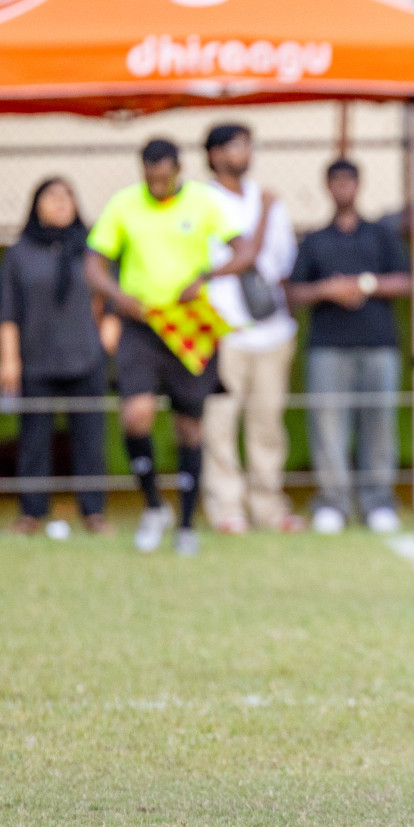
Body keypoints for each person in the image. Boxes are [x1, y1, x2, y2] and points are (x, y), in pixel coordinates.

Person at [84, 138, 264, 557]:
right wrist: (118, 295)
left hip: (188, 324)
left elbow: (245, 250)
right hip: (141, 324)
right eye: (150, 176)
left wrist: (207, 277)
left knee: (190, 426)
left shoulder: (203, 202)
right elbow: (94, 262)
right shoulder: (124, 204)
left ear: (178, 169)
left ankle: (185, 522)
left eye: (164, 176)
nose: (158, 184)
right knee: (137, 414)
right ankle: (152, 506)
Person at [286, 158, 413, 535]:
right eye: (336, 182)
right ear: (328, 187)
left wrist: (364, 285)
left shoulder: (381, 234)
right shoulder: (314, 239)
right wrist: (326, 290)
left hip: (379, 343)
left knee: (380, 423)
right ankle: (333, 502)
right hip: (327, 345)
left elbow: (406, 282)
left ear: (359, 185)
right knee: (327, 426)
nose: (343, 188)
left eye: (349, 181)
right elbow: (292, 291)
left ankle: (377, 502)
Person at [199, 124, 303, 535]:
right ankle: (227, 508)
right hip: (223, 329)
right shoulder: (200, 201)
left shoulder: (269, 200)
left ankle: (269, 507)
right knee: (220, 423)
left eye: (247, 144)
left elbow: (282, 261)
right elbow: (239, 255)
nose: (242, 153)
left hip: (272, 330)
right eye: (232, 146)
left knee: (267, 424)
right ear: (212, 154)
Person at [0, 178, 111, 536]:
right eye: (53, 197)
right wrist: (9, 358)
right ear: (36, 205)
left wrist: (107, 335)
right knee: (33, 439)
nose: (62, 203)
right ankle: (31, 513)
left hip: (85, 356)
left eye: (68, 197)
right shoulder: (20, 253)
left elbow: (112, 296)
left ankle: (94, 512)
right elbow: (8, 311)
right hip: (36, 358)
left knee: (90, 438)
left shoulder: (93, 250)